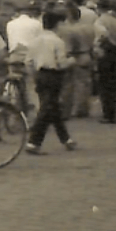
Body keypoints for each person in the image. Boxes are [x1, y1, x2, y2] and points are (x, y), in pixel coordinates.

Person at [24, 10, 78, 155]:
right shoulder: (57, 42)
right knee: (47, 109)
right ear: (58, 24)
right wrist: (72, 61)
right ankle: (33, 142)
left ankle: (66, 139)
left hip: (40, 74)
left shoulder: (34, 41)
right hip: (54, 76)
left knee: (52, 108)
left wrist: (34, 75)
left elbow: (28, 62)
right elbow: (61, 63)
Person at [93, 0, 116, 124]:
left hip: (105, 51)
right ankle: (113, 112)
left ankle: (107, 114)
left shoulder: (99, 21)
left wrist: (97, 45)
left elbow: (103, 34)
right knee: (113, 83)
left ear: (99, 8)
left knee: (104, 84)